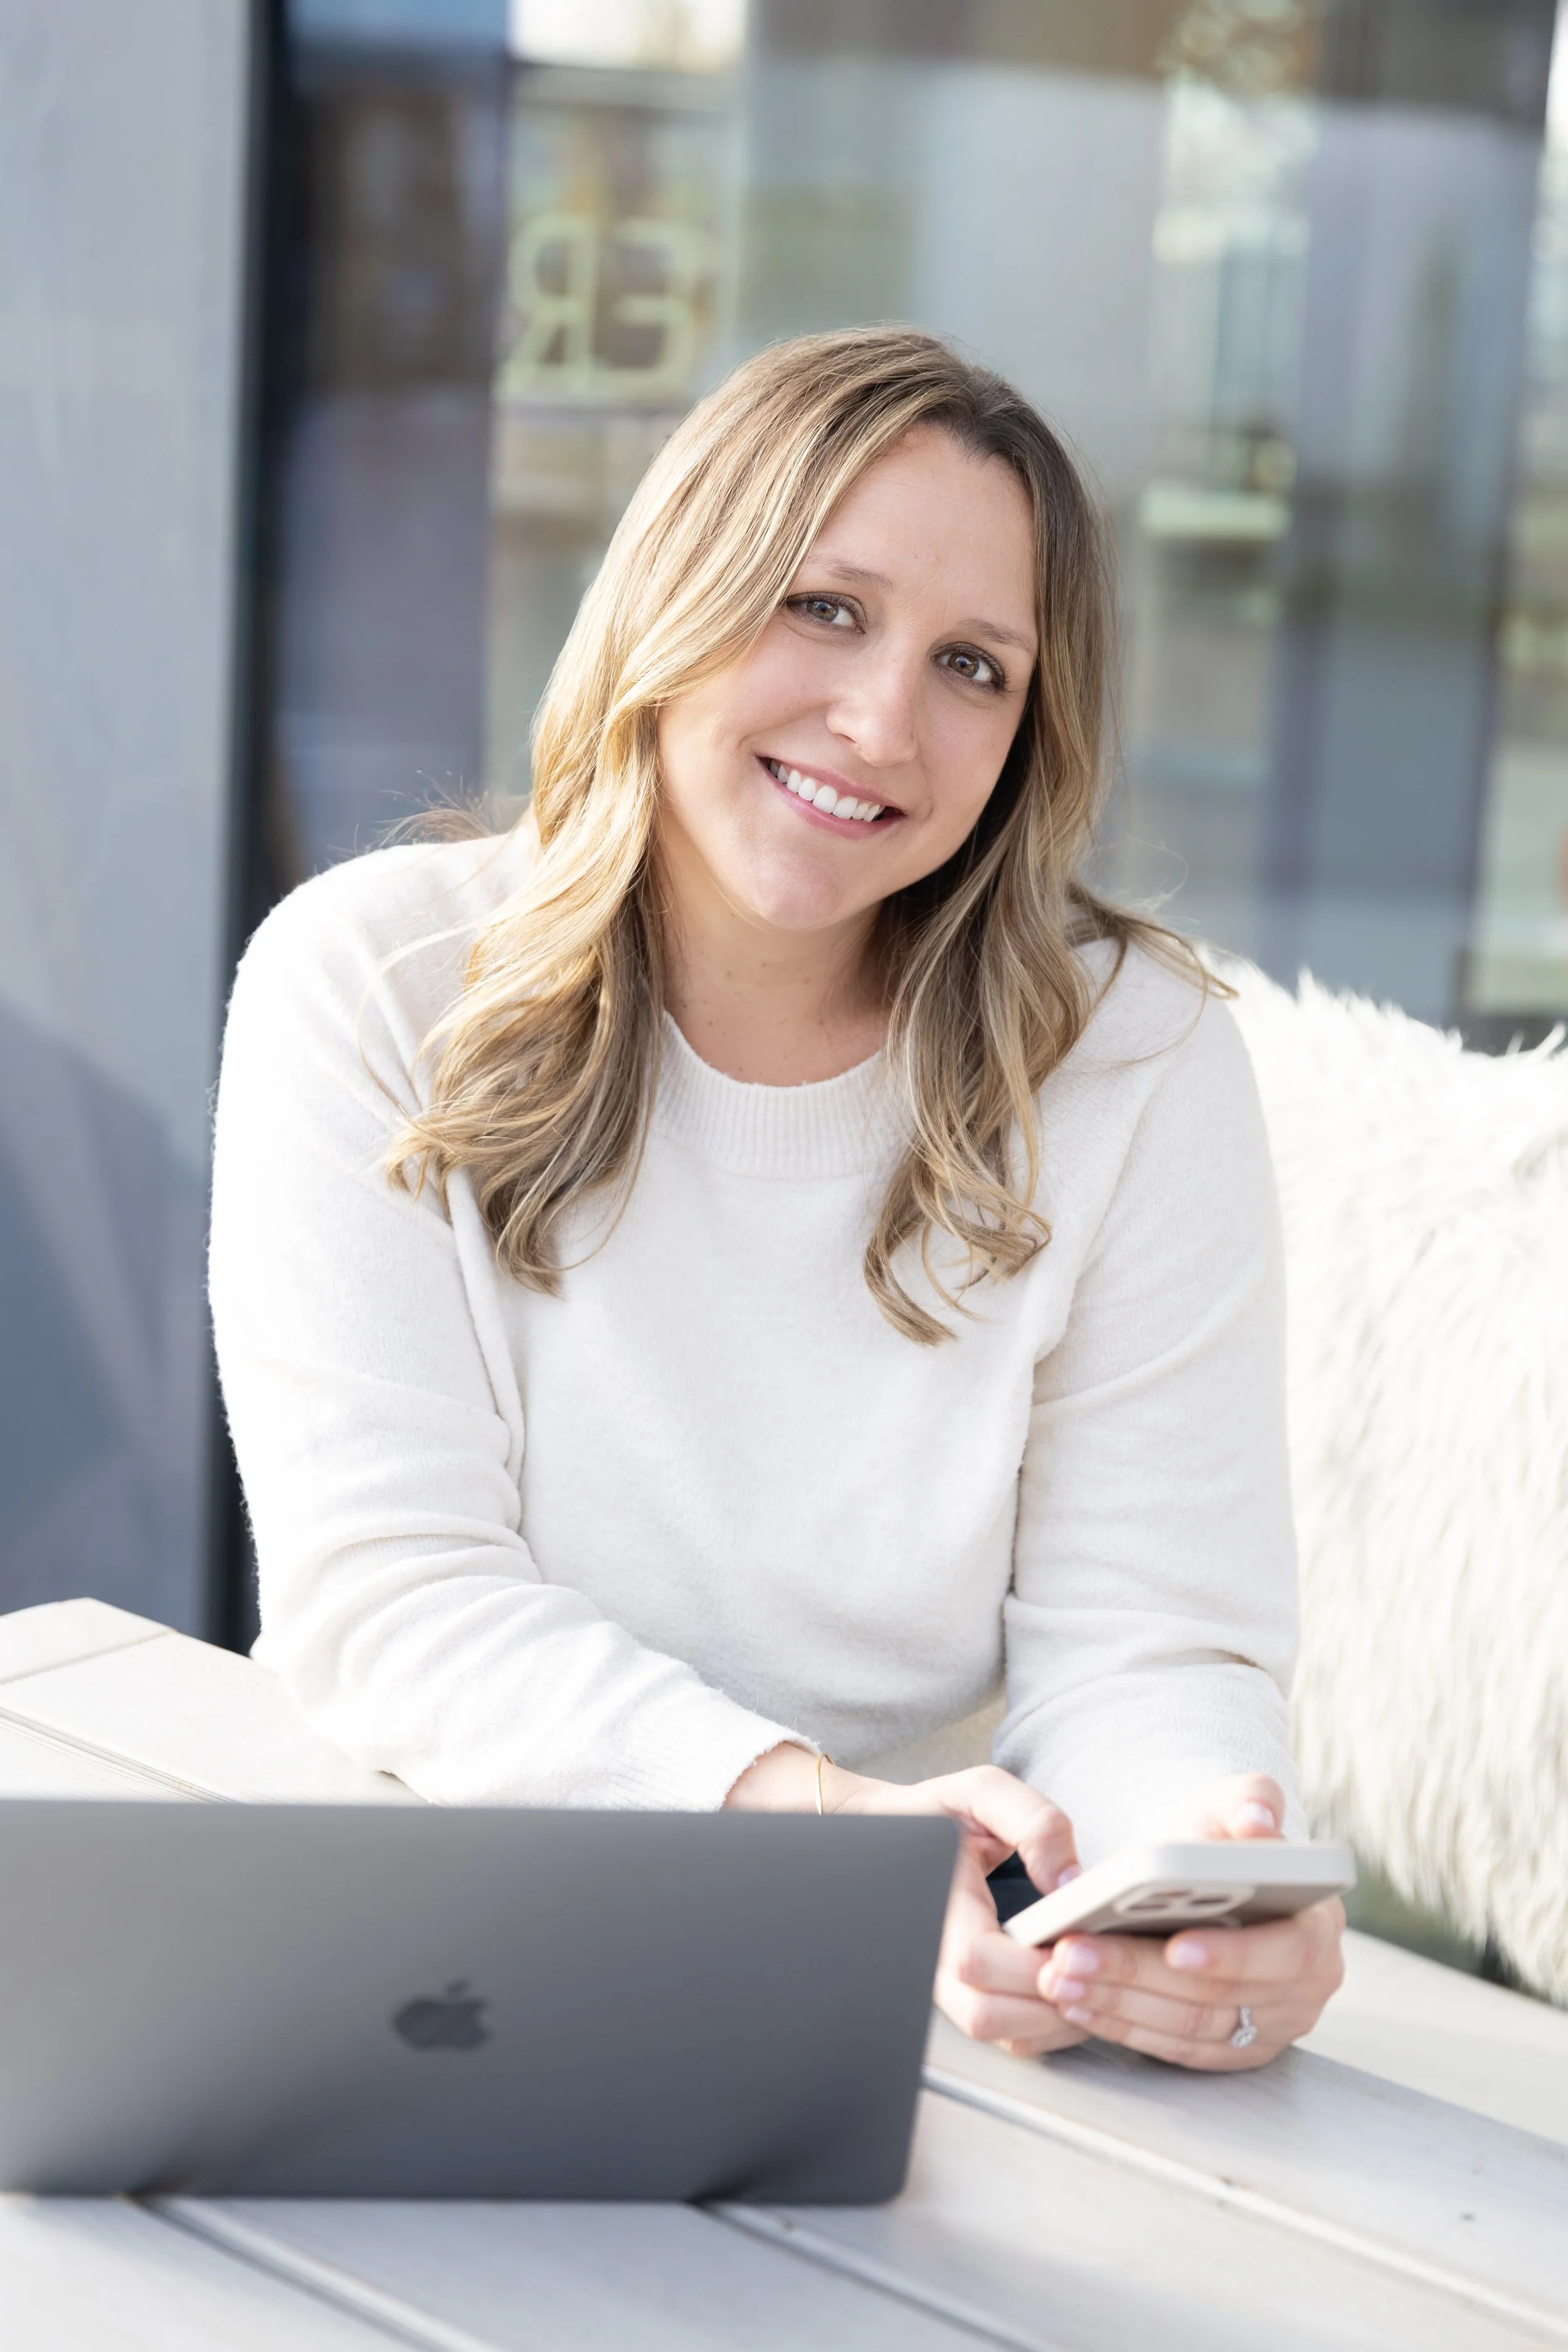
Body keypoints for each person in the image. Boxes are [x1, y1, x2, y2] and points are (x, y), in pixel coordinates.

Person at [211, 327, 1343, 2070]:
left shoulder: (1136, 1058)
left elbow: (1147, 1636)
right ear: (678, 587)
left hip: (928, 2000)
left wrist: (1187, 1877)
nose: (883, 719)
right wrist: (805, 1813)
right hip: (429, 1958)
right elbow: (391, 1594)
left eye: (973, 664)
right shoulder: (370, 980)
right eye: (824, 606)